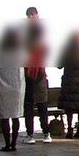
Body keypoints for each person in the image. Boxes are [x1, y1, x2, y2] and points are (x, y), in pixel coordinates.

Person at [0, 26, 26, 151]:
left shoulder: (0, 50)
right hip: (17, 88)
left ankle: (6, 144)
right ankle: (14, 144)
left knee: (5, 117)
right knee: (15, 116)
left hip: (2, 88)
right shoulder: (21, 51)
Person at [22, 15, 52, 144]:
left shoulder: (25, 45)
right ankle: (46, 134)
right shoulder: (43, 46)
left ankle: (30, 135)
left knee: (28, 107)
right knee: (42, 106)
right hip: (41, 77)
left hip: (28, 77)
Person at [57, 32, 79, 139]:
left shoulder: (66, 49)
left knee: (69, 108)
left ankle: (70, 131)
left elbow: (59, 64)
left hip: (69, 81)